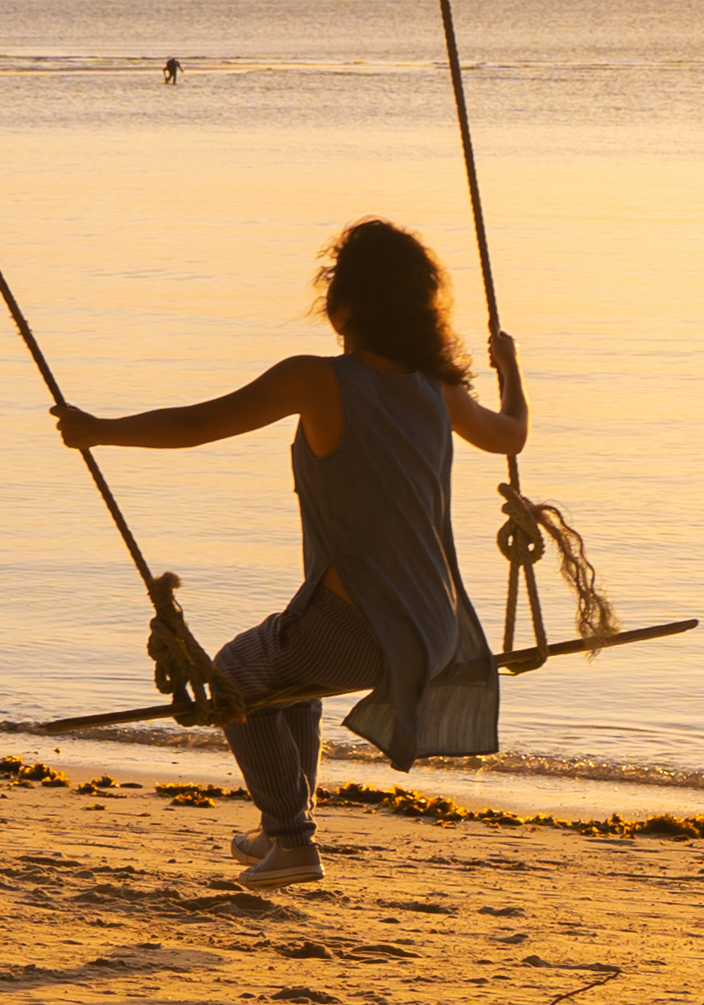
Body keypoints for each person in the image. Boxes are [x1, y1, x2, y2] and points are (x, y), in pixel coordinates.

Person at [55, 218, 524, 888]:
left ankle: (292, 840)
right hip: (435, 630)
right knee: (287, 681)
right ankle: (283, 820)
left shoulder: (317, 380)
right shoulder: (438, 390)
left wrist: (98, 431)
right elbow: (510, 436)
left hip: (357, 627)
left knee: (235, 675)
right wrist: (513, 373)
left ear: (344, 305)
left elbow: (196, 425)